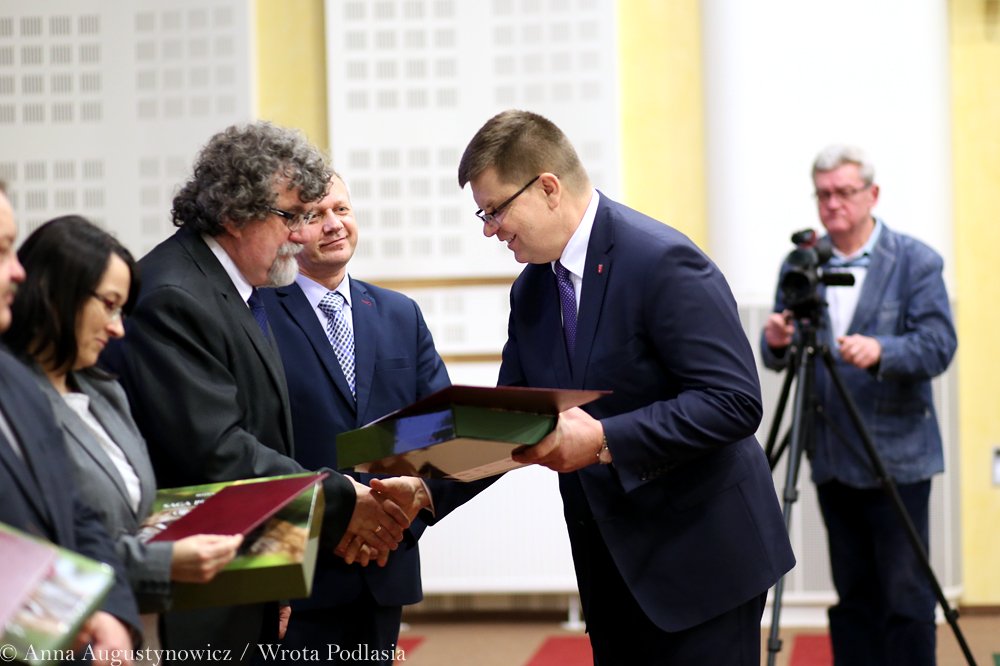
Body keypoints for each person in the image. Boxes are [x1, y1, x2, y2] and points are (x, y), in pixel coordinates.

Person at [457, 110, 795, 664]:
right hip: (610, 570)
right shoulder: (533, 291)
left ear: (547, 188)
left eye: (494, 210)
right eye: (483, 214)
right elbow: (511, 417)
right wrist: (422, 488)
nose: (490, 229)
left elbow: (733, 401)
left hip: (703, 561)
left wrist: (604, 440)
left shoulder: (662, 260)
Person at [100, 123, 411, 660]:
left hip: (248, 565)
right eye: (290, 216)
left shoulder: (239, 287)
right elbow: (216, 451)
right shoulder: (175, 295)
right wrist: (344, 497)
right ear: (233, 214)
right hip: (196, 581)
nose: (301, 233)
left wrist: (278, 571)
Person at [261, 173, 494, 662]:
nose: (333, 225)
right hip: (300, 577)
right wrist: (277, 570)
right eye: (313, 215)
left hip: (385, 566)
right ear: (286, 229)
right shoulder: (255, 315)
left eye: (341, 210)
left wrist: (399, 518)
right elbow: (255, 447)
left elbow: (446, 432)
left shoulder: (398, 314)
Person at [3, 216, 243, 652]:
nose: (117, 328)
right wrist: (162, 561)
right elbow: (56, 539)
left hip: (136, 620)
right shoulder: (20, 394)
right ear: (60, 295)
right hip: (61, 630)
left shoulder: (104, 388)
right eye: (109, 305)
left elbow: (129, 510)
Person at [760, 144, 956, 665]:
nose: (833, 204)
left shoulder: (915, 260)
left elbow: (939, 345)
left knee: (905, 594)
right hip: (831, 455)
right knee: (854, 596)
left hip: (899, 458)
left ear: (872, 194)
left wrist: (882, 350)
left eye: (845, 192)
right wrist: (776, 340)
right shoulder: (800, 262)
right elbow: (781, 354)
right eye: (823, 194)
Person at [0, 185, 140, 665]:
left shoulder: (13, 379)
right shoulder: (28, 377)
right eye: (1, 251)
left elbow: (76, 517)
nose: (17, 271)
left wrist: (111, 613)